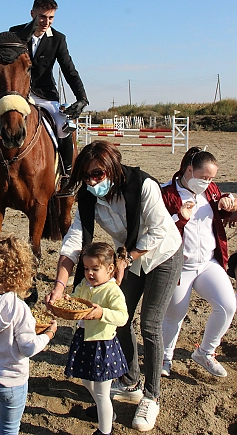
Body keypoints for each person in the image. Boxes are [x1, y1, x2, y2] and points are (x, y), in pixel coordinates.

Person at [45, 140, 183, 432]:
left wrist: (126, 257)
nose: (93, 182)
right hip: (126, 256)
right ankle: (131, 381)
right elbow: (73, 243)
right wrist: (60, 284)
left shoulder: (143, 185)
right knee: (120, 318)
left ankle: (152, 395)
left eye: (98, 174)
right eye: (86, 176)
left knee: (150, 323)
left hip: (163, 253)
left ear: (113, 168)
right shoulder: (88, 197)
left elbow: (158, 230)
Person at [0, 0, 88, 197]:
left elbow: (69, 70)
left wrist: (82, 98)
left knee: (62, 127)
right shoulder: (14, 33)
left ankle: (66, 177)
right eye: (42, 17)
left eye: (50, 18)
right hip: (16, 94)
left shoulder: (58, 39)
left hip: (45, 97)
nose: (46, 22)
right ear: (32, 14)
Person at [0, 233, 57, 435]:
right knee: (10, 427)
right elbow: (28, 347)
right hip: (12, 380)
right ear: (22, 273)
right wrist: (48, 335)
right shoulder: (19, 308)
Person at [161, 147, 237, 378]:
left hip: (207, 262)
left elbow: (215, 215)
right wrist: (180, 218)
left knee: (227, 306)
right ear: (189, 169)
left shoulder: (210, 190)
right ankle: (164, 357)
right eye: (204, 177)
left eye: (212, 178)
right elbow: (156, 230)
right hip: (179, 265)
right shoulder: (165, 193)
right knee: (175, 314)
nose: (208, 182)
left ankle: (206, 352)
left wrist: (228, 206)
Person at [64, 242, 129, 435]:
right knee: (85, 379)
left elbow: (123, 317)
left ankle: (105, 430)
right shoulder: (85, 284)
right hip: (84, 339)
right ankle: (103, 408)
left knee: (102, 392)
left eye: (95, 269)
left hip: (103, 345)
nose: (89, 273)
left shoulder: (112, 291)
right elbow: (77, 297)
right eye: (86, 269)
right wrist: (69, 300)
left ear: (110, 269)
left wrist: (102, 313)